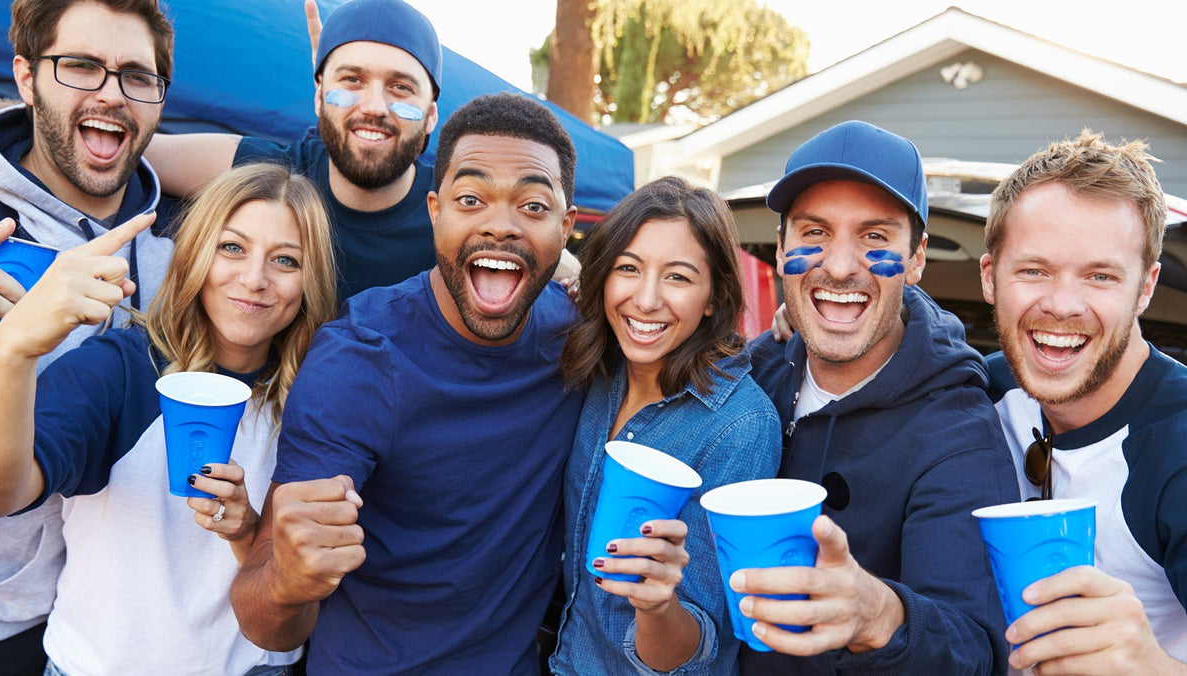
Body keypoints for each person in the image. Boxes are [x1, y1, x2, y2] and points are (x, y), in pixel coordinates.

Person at [230, 93, 583, 674]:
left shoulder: (580, 338)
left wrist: (784, 331)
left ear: (566, 227)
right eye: (471, 200)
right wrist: (288, 582)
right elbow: (261, 618)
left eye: (533, 206)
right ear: (435, 210)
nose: (500, 224)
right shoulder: (360, 358)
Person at [0, 162, 338, 675]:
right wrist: (14, 352)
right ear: (195, 253)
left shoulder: (318, 401)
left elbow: (293, 619)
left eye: (286, 260)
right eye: (232, 247)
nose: (255, 279)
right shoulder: (119, 369)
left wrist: (246, 534)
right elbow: (0, 495)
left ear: (312, 280)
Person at [739, 120, 1019, 674]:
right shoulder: (751, 374)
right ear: (780, 248)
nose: (840, 266)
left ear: (916, 260)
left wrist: (882, 616)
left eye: (874, 237)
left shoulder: (958, 430)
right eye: (814, 233)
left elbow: (974, 649)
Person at [0, 1, 174, 670]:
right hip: (4, 622)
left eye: (136, 75)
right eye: (81, 67)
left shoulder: (192, 242)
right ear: (27, 75)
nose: (111, 93)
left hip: (127, 630)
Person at [551, 176, 780, 674]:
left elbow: (702, 649)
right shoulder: (597, 369)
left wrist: (657, 605)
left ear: (715, 296)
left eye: (677, 277)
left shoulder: (739, 426)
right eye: (628, 268)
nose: (647, 299)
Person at [981, 130, 1187, 674]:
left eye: (1100, 276)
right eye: (1034, 270)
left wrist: (1154, 667)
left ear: (1145, 288)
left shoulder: (1178, 446)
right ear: (990, 277)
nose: (1063, 304)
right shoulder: (982, 390)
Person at [144, 0, 441, 301]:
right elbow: (130, 150)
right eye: (352, 80)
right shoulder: (274, 174)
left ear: (431, 116)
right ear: (318, 98)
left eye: (400, 87)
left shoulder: (457, 212)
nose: (375, 107)